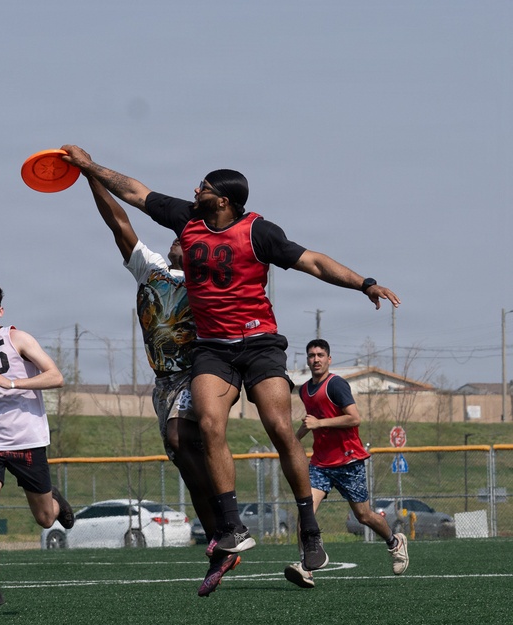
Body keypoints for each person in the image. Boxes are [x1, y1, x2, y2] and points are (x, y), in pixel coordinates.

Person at [61, 145, 400, 574]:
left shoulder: (259, 232)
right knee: (208, 423)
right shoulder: (188, 219)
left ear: (222, 199)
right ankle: (233, 526)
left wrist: (364, 283)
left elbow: (313, 260)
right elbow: (135, 193)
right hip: (213, 348)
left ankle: (310, 530)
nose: (195, 189)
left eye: (203, 185)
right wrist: (89, 167)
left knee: (279, 426)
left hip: (259, 345)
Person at [84, 175, 238, 596]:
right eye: (174, 237)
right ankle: (221, 542)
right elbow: (119, 223)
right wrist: (91, 178)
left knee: (180, 435)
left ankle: (228, 525)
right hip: (164, 383)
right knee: (183, 457)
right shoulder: (151, 269)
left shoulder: (207, 281)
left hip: (203, 373)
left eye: (183, 238)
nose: (176, 240)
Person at [0, 282, 74, 610]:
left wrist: (13, 382)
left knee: (45, 519)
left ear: (1, 310)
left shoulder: (18, 338)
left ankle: (52, 497)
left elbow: (56, 376)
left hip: (26, 440)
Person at [284, 339, 410, 588]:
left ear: (329, 359)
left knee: (363, 516)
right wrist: (292, 441)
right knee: (305, 512)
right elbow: (311, 421)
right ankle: (307, 566)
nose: (315, 359)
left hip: (348, 461)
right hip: (320, 463)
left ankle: (395, 543)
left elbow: (354, 418)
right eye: (311, 355)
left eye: (320, 355)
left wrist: (319, 424)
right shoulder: (304, 390)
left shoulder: (337, 384)